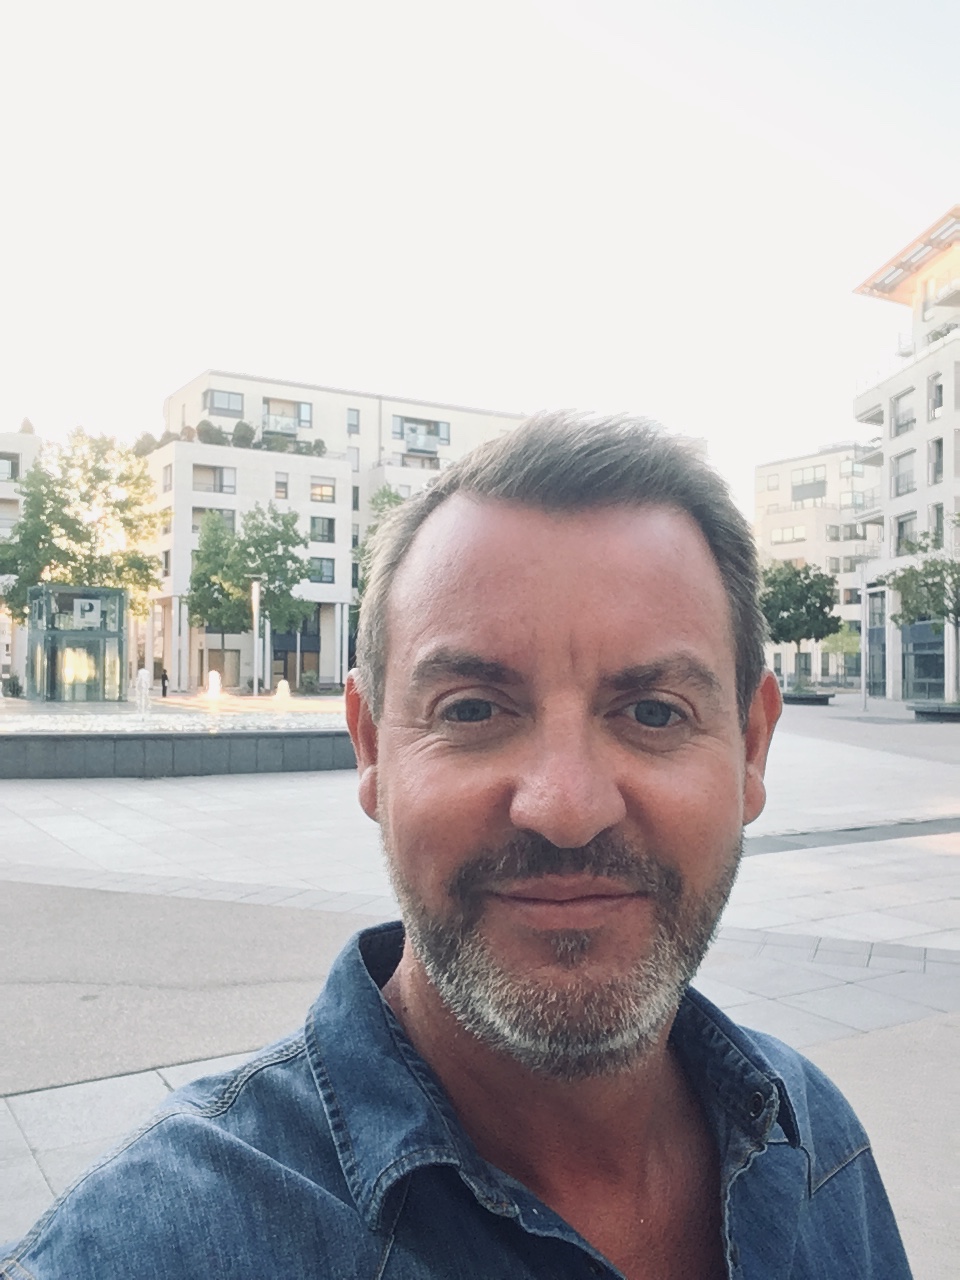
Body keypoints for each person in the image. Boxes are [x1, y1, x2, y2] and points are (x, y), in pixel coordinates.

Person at [1, 414, 911, 1279]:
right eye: (473, 710)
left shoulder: (815, 1142)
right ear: (370, 745)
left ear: (751, 748)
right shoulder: (152, 1250)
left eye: (653, 712)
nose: (565, 809)